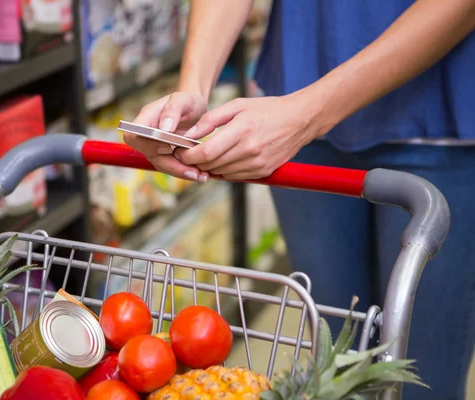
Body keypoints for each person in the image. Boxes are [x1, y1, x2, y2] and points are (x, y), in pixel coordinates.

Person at [123, 1, 475, 399]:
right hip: (296, 113)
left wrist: (308, 114)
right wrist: (192, 87)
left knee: (424, 376)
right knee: (335, 366)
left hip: (440, 117)